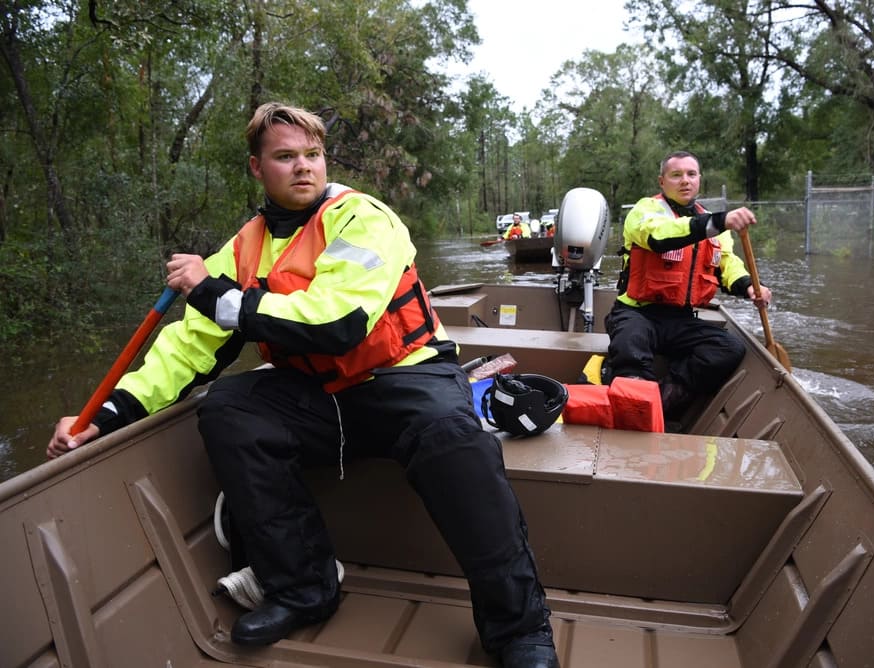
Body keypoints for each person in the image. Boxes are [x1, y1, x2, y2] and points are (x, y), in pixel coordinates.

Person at [47, 102, 559, 667]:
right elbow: (187, 347)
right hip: (321, 397)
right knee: (229, 408)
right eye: (285, 157)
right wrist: (107, 414)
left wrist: (215, 295)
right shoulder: (242, 248)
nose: (303, 167)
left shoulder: (364, 218)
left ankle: (518, 629)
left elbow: (337, 323)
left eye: (312, 154)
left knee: (455, 439)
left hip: (406, 379)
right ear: (256, 169)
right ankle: (303, 588)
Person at [605, 150, 772, 428]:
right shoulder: (645, 211)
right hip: (636, 312)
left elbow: (726, 264)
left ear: (699, 180)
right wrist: (719, 221)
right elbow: (659, 237)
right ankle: (628, 405)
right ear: (662, 181)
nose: (685, 181)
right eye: (676, 175)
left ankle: (662, 399)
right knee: (630, 345)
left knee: (729, 348)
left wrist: (749, 288)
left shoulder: (712, 224)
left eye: (691, 174)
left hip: (680, 319)